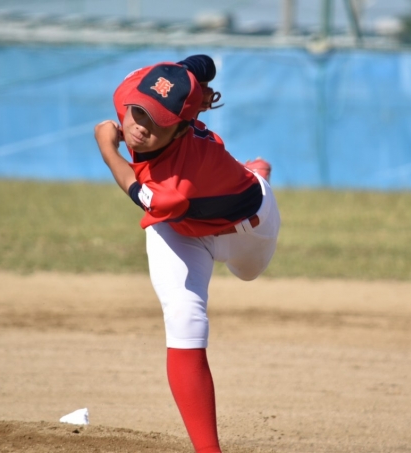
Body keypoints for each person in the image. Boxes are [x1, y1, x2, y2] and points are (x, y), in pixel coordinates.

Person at [94, 55, 280, 453]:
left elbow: (137, 187)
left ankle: (256, 172)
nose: (139, 126)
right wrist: (196, 82)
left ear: (181, 129)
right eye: (139, 112)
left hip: (247, 228)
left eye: (157, 122)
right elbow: (197, 65)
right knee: (184, 318)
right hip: (182, 231)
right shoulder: (129, 89)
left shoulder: (174, 187)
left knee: (248, 273)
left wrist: (107, 147)